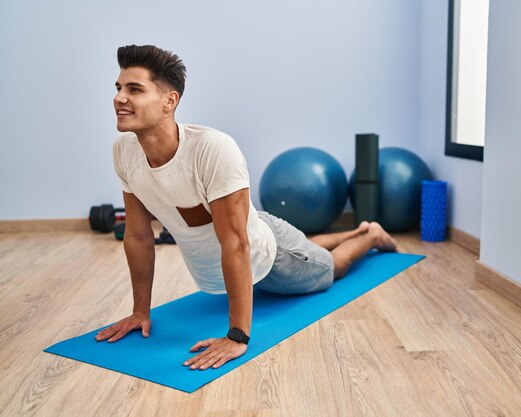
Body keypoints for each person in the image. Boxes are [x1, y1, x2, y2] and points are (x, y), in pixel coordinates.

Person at [95, 45, 397, 371]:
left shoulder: (212, 149)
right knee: (304, 249)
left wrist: (237, 336)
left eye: (134, 89)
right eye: (119, 88)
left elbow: (237, 244)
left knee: (330, 269)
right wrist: (141, 312)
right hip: (240, 242)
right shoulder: (124, 151)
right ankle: (356, 230)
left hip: (267, 257)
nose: (119, 97)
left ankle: (371, 236)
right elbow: (139, 236)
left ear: (170, 101)